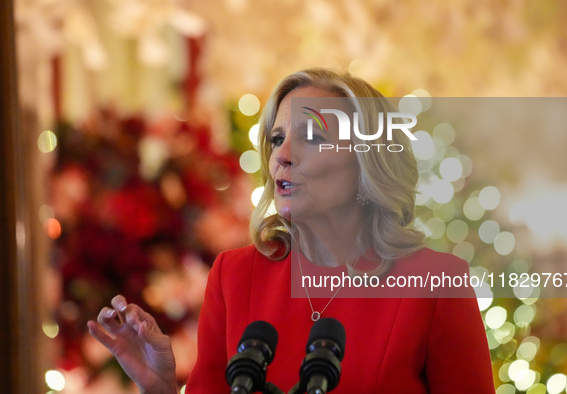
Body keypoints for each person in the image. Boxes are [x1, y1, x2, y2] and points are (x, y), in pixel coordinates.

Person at [88, 68, 496, 393]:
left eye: (313, 137)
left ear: (366, 163)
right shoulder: (234, 275)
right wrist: (159, 389)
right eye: (278, 138)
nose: (282, 156)